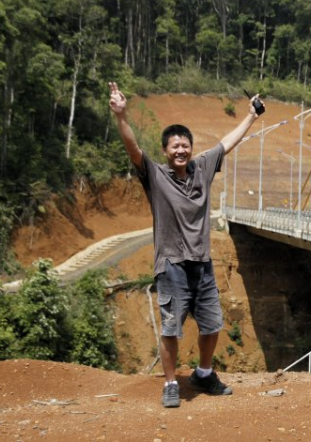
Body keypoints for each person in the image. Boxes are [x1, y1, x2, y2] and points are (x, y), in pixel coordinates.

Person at [108, 82, 262, 408]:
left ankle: (204, 374)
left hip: (202, 264)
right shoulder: (155, 175)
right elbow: (133, 149)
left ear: (191, 148)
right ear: (165, 151)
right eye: (174, 146)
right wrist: (121, 116)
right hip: (171, 265)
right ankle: (170, 384)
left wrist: (251, 116)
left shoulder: (203, 168)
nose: (181, 150)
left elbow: (227, 143)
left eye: (185, 145)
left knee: (212, 325)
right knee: (170, 329)